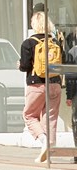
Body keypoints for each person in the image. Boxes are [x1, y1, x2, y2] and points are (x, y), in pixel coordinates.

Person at [20, 10, 64, 161]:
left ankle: (44, 141)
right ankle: (48, 151)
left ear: (34, 25)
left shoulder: (28, 43)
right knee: (50, 118)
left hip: (36, 84)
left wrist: (19, 65)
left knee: (29, 115)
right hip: (55, 83)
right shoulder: (55, 42)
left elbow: (25, 66)